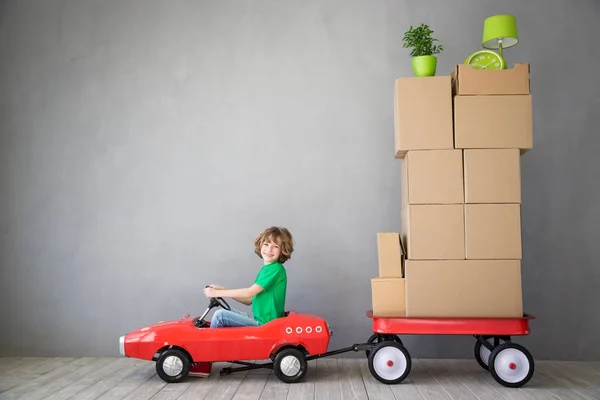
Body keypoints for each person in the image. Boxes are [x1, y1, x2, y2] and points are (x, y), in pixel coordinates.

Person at [189, 226, 294, 378]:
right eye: (266, 244)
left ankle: (204, 362)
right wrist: (224, 290)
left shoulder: (275, 269)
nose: (269, 249)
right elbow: (250, 300)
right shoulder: (268, 269)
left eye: (275, 246)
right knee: (223, 315)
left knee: (220, 316)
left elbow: (250, 291)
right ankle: (210, 355)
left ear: (282, 250)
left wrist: (218, 293)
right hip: (260, 319)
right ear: (260, 245)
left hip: (265, 324)